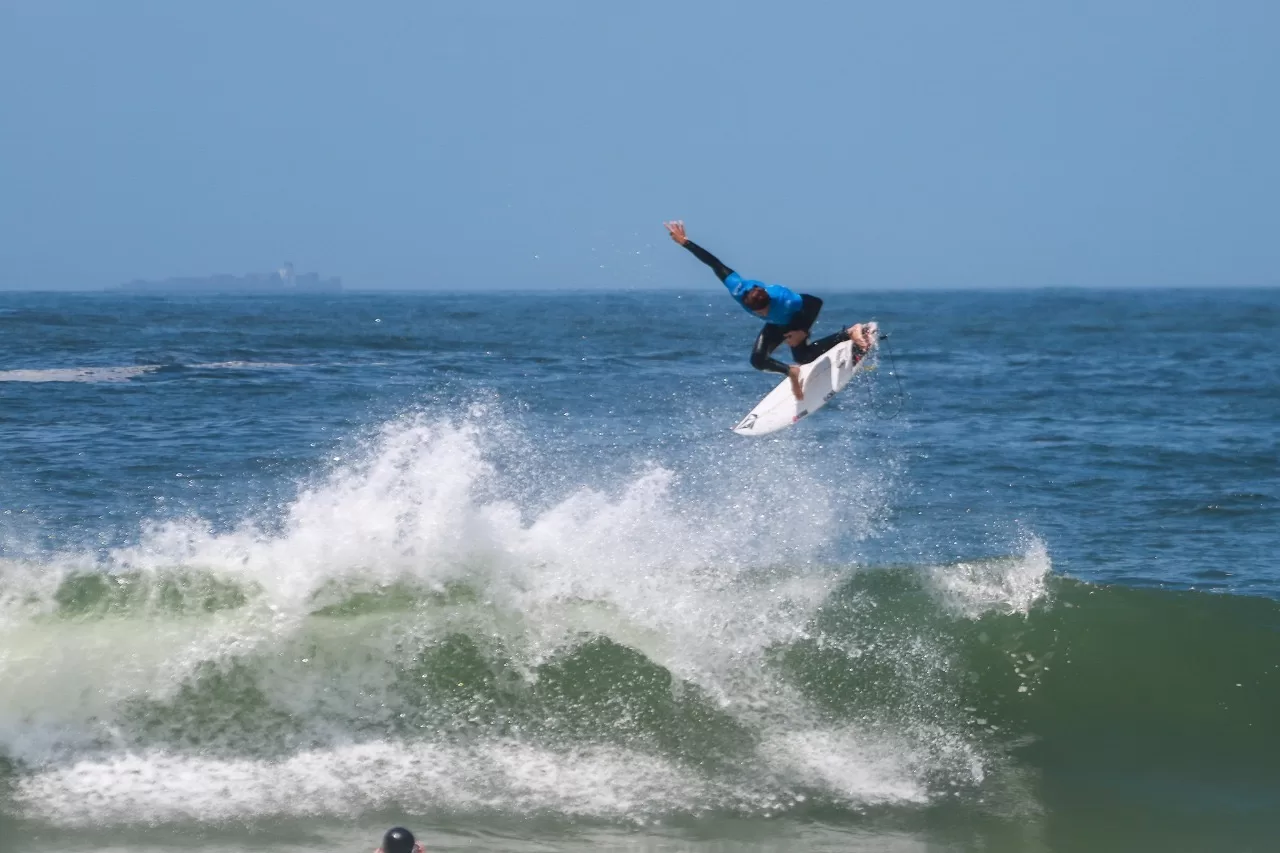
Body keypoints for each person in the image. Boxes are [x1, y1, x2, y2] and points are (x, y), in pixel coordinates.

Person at [664, 220, 875, 400]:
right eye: (759, 312)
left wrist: (802, 330)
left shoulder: (784, 299)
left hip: (796, 318)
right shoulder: (737, 287)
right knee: (758, 360)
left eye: (765, 310)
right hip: (777, 325)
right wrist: (685, 243)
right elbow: (714, 263)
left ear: (769, 302)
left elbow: (815, 303)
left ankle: (850, 332)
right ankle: (792, 372)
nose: (762, 314)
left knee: (805, 356)